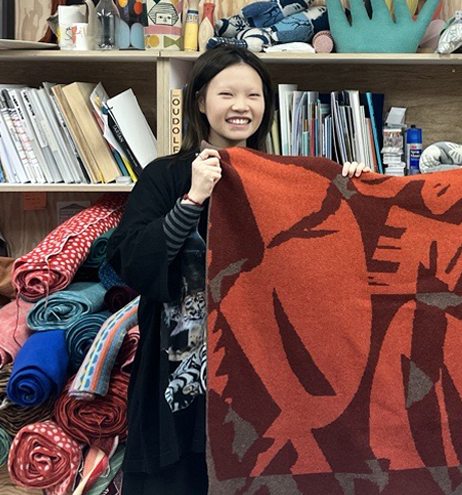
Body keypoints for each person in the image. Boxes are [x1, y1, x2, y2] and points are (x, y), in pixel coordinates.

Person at [107, 45, 366, 494]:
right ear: (201, 101)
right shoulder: (166, 175)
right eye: (227, 94)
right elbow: (133, 262)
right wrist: (192, 200)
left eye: (254, 95)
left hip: (266, 373)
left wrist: (358, 191)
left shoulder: (290, 177)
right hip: (178, 379)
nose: (241, 107)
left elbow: (338, 261)